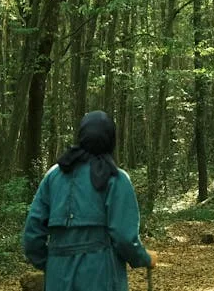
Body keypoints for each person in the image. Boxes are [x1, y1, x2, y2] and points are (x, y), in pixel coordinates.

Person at [22, 110, 159, 291]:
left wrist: (52, 264)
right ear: (111, 139)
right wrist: (145, 258)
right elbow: (125, 238)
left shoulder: (53, 176)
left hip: (58, 279)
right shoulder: (116, 178)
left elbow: (31, 236)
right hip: (102, 277)